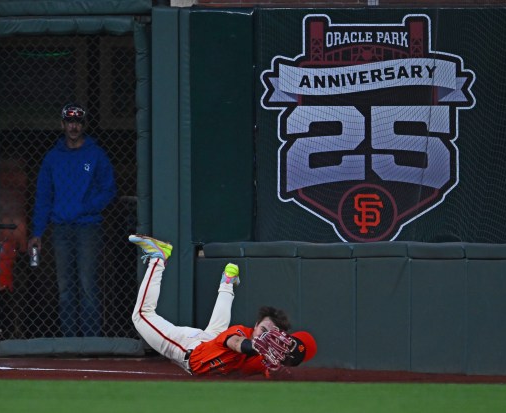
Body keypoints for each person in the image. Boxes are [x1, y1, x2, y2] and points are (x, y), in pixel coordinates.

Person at [130, 234, 317, 378]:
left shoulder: (265, 358)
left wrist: (282, 365)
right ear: (256, 323)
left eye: (271, 333)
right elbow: (236, 344)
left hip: (208, 343)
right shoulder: (241, 333)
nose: (266, 336)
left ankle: (227, 282)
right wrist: (257, 347)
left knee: (216, 330)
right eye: (264, 329)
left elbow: (275, 374)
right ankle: (158, 258)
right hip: (188, 348)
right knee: (141, 314)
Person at [28, 103, 117, 337]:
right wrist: (37, 232)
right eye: (69, 121)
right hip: (60, 228)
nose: (73, 126)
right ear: (62, 124)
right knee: (64, 286)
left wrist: (86, 207)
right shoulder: (52, 158)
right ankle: (69, 340)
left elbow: (109, 189)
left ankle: (91, 340)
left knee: (88, 284)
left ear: (84, 125)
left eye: (77, 121)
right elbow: (43, 197)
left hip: (88, 227)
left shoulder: (96, 154)